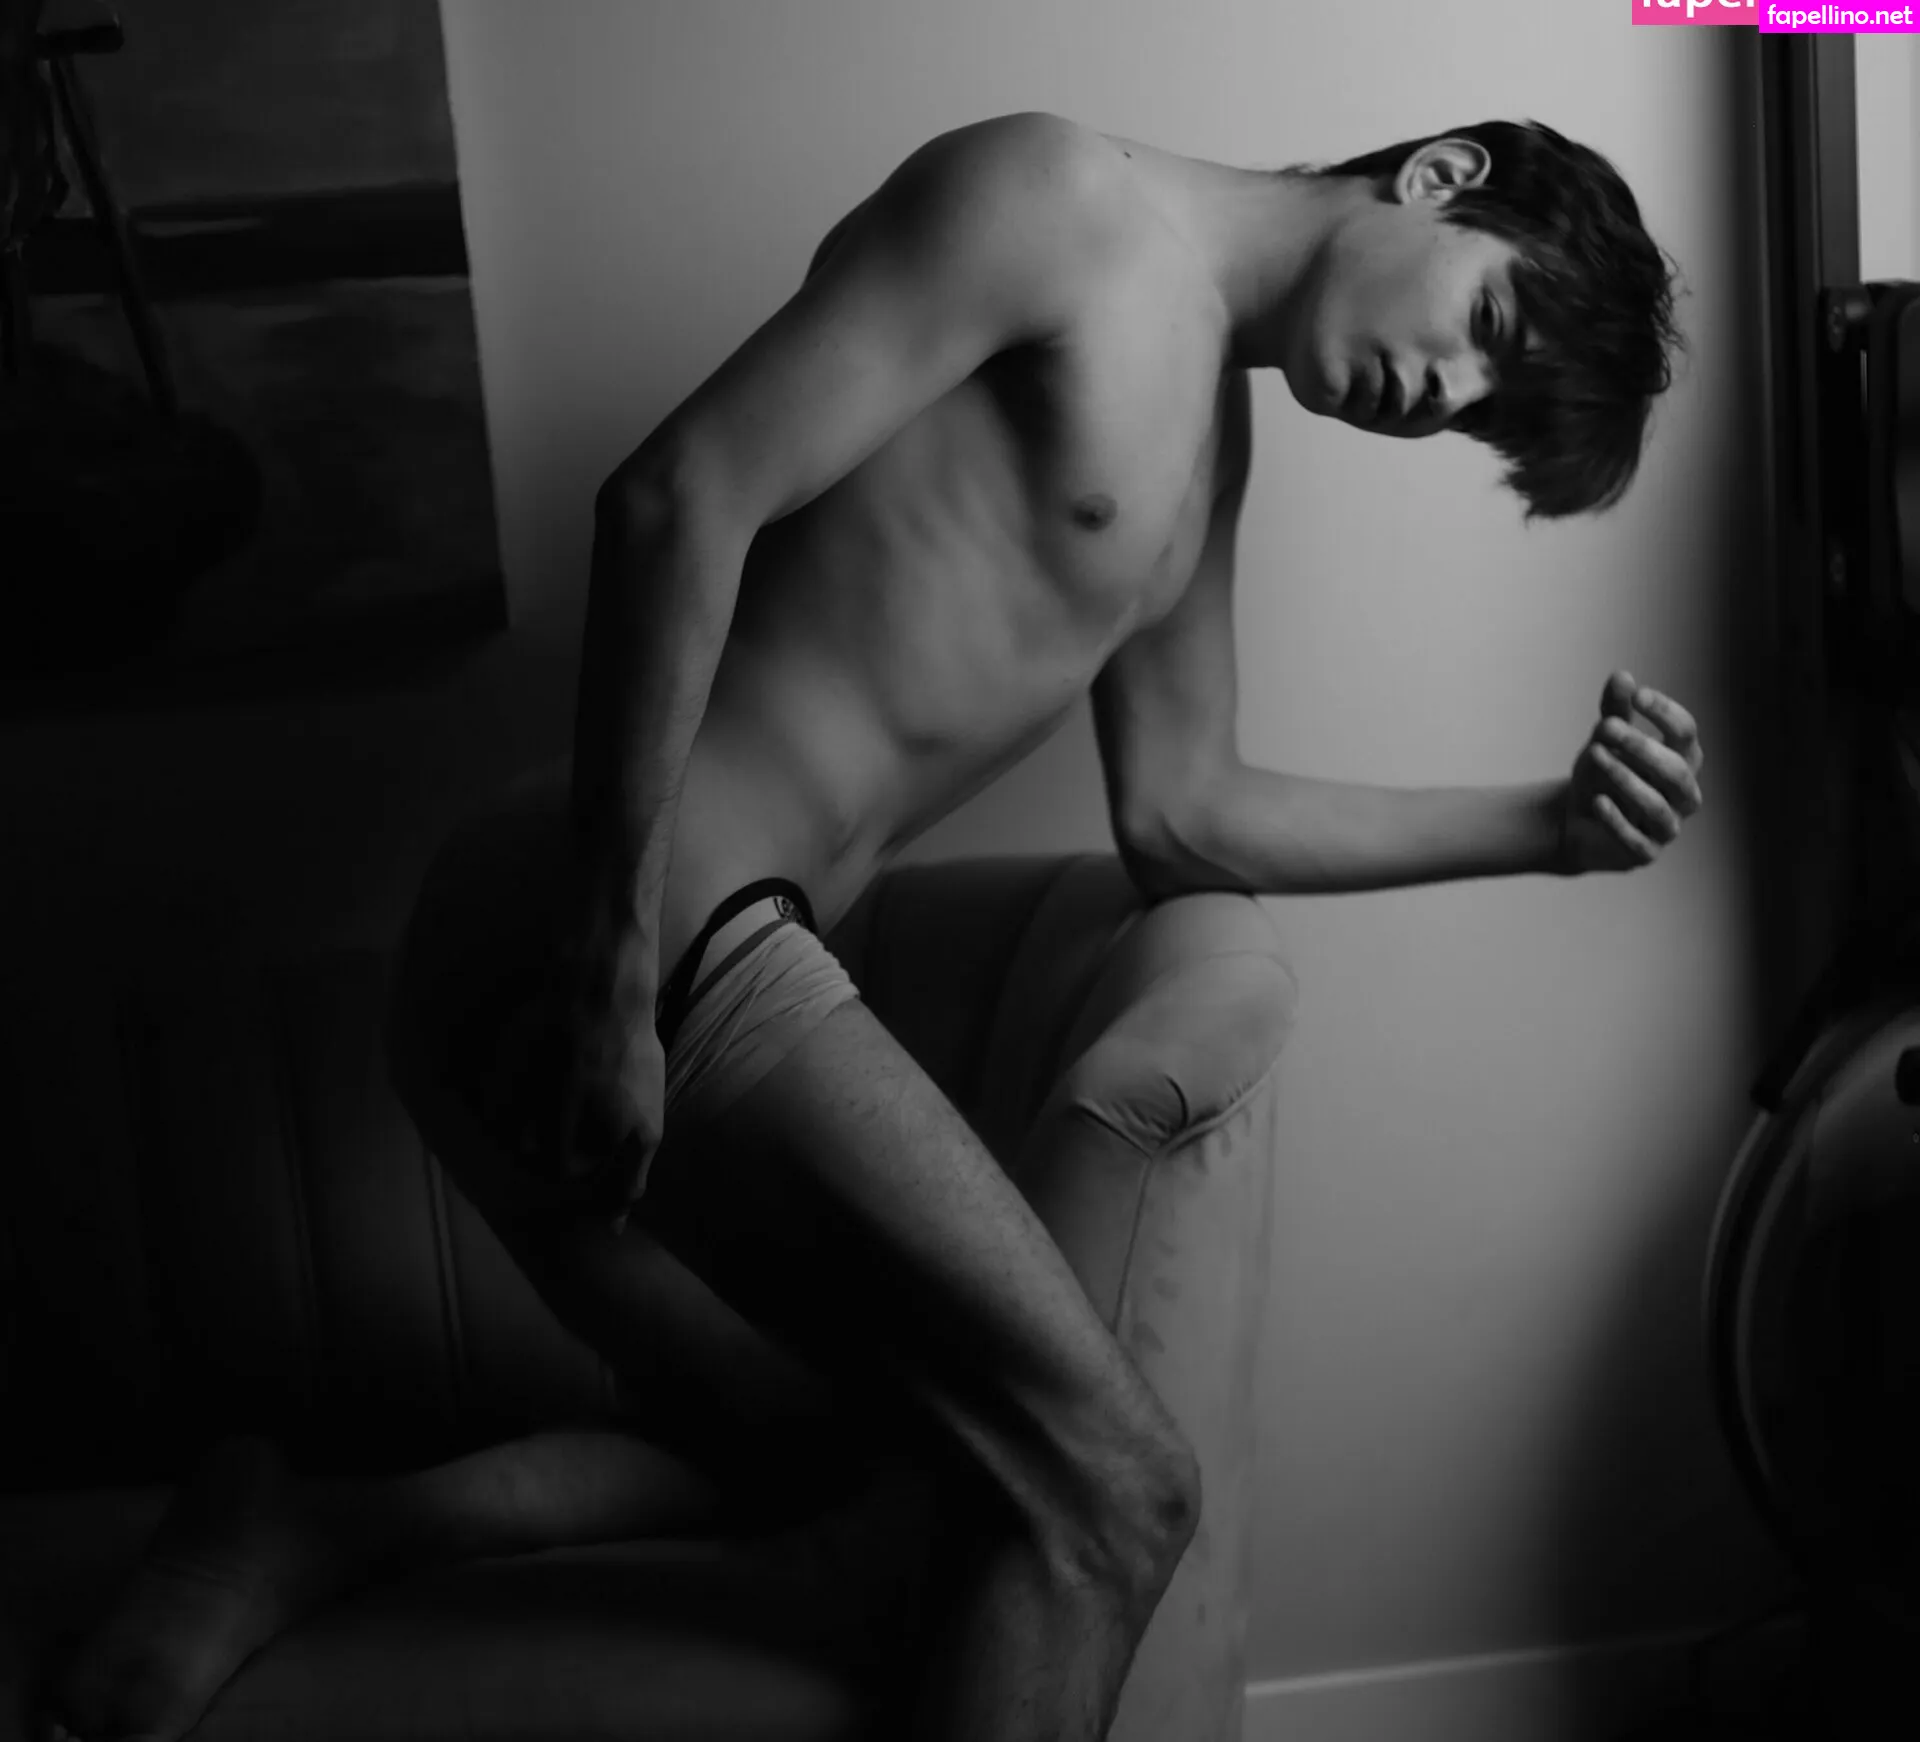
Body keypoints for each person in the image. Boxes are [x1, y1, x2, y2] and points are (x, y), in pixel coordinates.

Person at [34, 109, 1704, 1742]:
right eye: (1488, 327)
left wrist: (1547, 829)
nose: (1446, 395)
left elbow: (1182, 810)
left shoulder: (1212, 440)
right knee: (1118, 1488)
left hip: (697, 955)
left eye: (1484, 414)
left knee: (846, 1468)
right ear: (1438, 177)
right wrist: (611, 963)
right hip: (638, 921)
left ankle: (301, 1532)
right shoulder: (1060, 200)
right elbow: (676, 495)